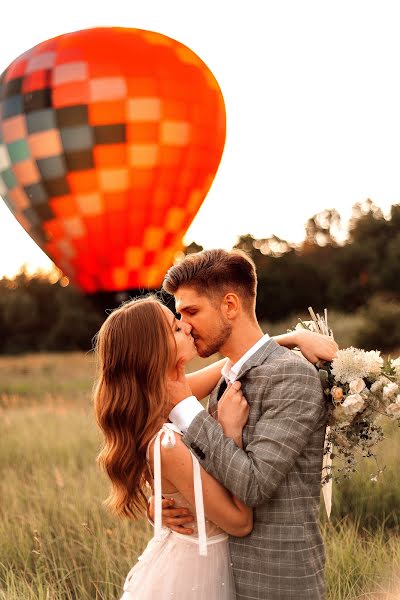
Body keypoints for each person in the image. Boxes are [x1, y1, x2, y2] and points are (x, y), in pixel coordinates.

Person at [93, 291, 336, 599]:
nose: (188, 326)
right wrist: (230, 433)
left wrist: (295, 338)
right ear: (155, 350)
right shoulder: (167, 440)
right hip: (194, 574)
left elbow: (240, 361)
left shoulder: (169, 393)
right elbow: (239, 522)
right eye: (176, 327)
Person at [157, 248, 337, 600]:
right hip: (217, 579)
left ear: (229, 305)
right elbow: (210, 469)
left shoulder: (291, 375)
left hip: (276, 583)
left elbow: (254, 486)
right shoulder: (226, 375)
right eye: (180, 315)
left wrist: (186, 409)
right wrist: (166, 503)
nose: (185, 325)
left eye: (192, 311)